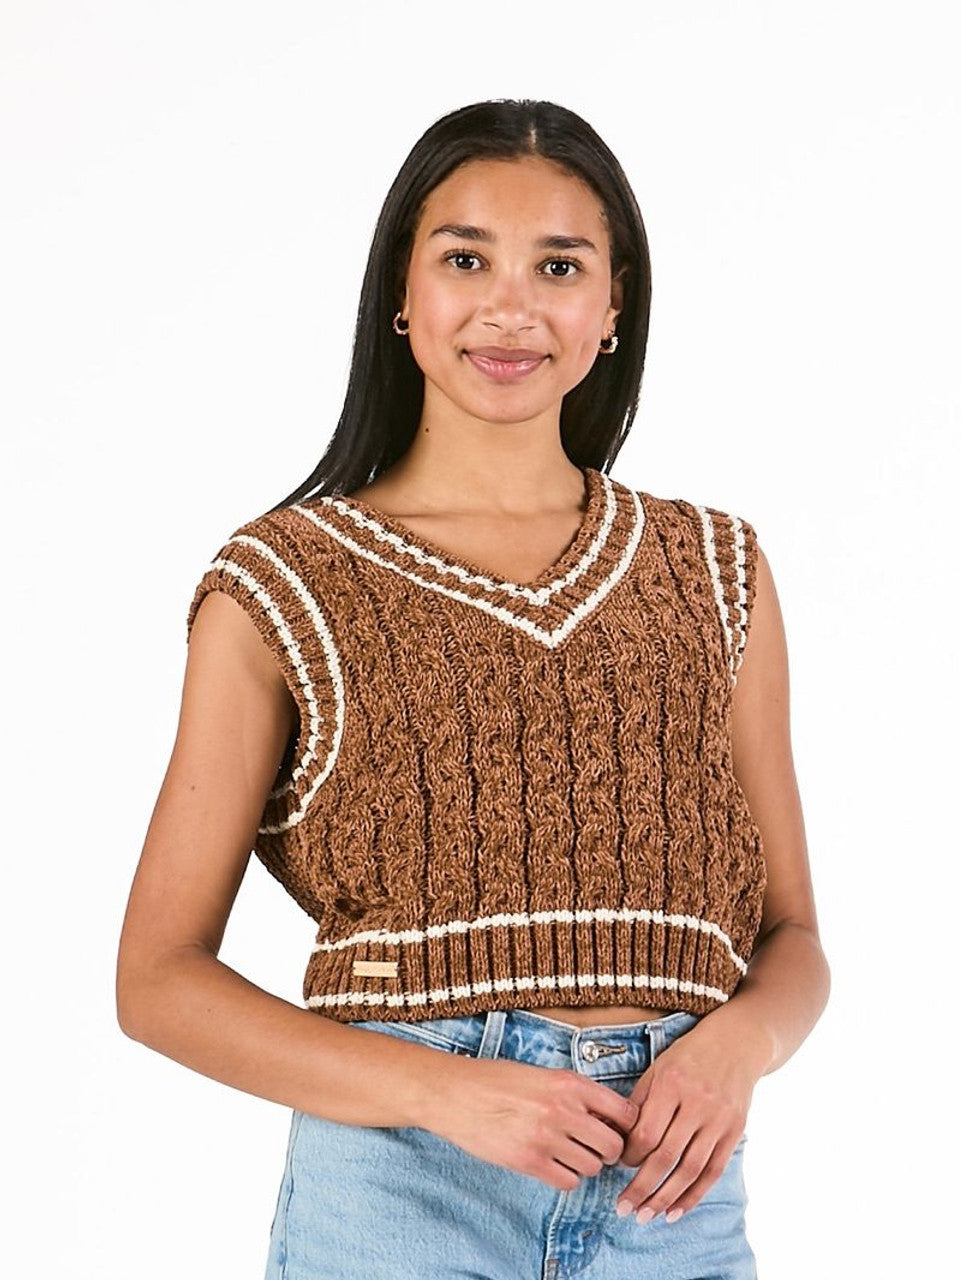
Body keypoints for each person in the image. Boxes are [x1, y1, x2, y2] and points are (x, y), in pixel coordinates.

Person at [116, 98, 830, 1280]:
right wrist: (443, 1090)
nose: (510, 307)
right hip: (402, 1194)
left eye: (559, 265)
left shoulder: (714, 567)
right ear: (402, 292)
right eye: (464, 259)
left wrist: (738, 1045)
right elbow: (155, 980)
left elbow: (793, 934)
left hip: (672, 1197)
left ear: (613, 306)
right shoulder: (284, 581)